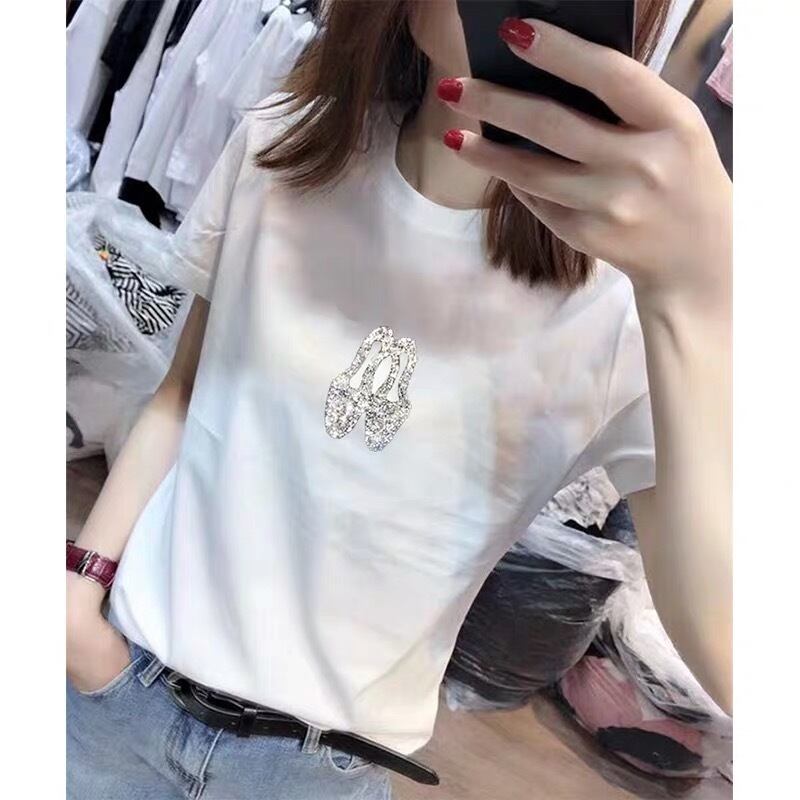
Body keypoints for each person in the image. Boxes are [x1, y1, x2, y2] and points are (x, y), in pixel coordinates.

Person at [66, 2, 732, 798]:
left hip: (312, 772)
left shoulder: (622, 300)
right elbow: (180, 394)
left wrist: (699, 294)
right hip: (116, 692)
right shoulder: (280, 144)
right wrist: (80, 589)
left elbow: (724, 636)